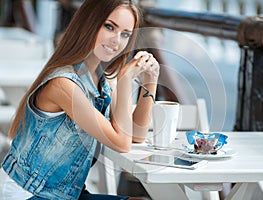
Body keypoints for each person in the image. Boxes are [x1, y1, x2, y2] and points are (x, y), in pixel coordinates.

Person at [0, 0, 159, 199]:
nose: (117, 41)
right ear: (89, 23)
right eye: (109, 27)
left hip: (66, 194)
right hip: (28, 194)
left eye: (125, 34)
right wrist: (125, 79)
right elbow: (122, 143)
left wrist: (151, 80)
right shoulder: (63, 84)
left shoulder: (101, 81)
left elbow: (136, 134)